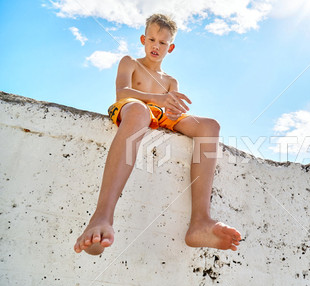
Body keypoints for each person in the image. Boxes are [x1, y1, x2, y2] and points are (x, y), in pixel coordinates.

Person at [74, 13, 241, 255]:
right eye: (152, 39)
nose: (156, 46)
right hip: (132, 108)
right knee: (140, 111)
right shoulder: (130, 62)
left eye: (162, 43)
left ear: (170, 47)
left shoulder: (171, 81)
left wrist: (173, 111)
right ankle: (102, 217)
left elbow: (169, 115)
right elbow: (121, 93)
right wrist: (159, 99)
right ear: (143, 39)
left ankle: (200, 221)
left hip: (159, 116)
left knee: (210, 126)